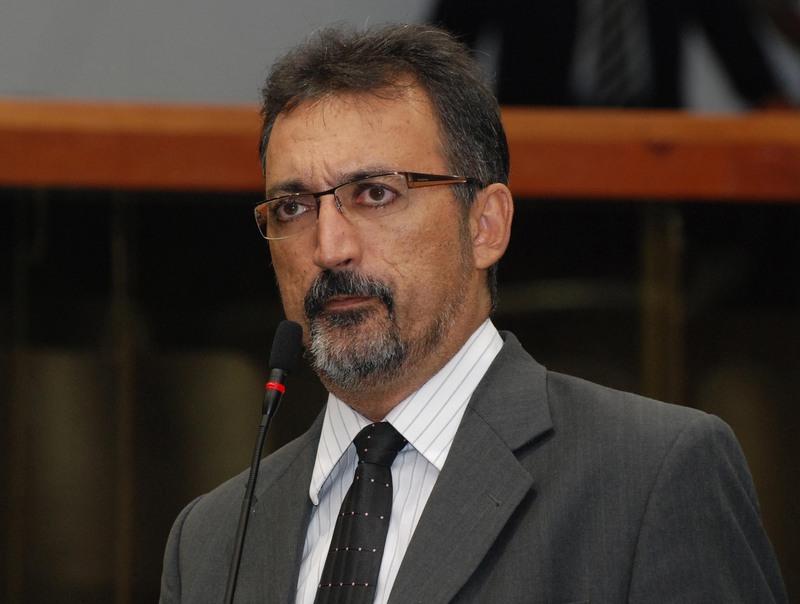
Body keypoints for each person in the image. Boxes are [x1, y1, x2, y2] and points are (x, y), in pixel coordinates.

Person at [159, 23, 787, 603]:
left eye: (375, 194)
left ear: (485, 226)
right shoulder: (210, 539)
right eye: (293, 208)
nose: (329, 247)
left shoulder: (652, 476)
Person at [430, 0, 789, 108]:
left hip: (655, 148)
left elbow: (737, 46)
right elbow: (440, 53)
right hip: (539, 153)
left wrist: (778, 114)